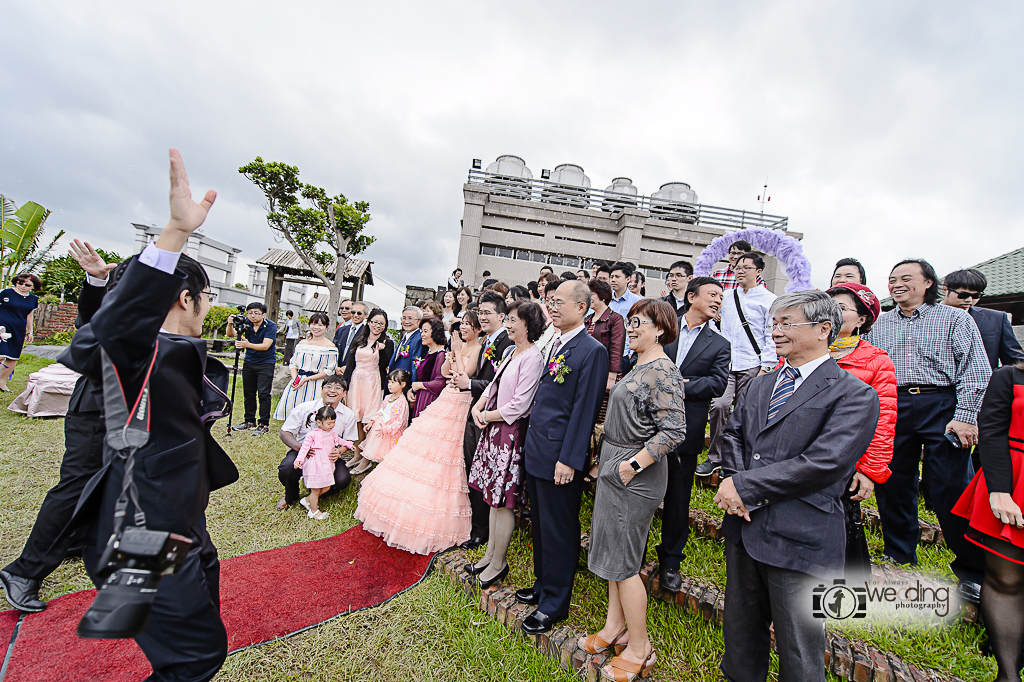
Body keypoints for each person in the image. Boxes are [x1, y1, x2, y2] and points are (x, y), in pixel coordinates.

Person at [59, 149, 239, 681]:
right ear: (186, 298)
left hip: (181, 521)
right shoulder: (142, 355)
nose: (209, 308)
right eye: (205, 298)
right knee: (194, 658)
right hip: (141, 533)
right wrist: (173, 237)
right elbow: (103, 342)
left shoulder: (168, 350)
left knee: (198, 626)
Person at [715, 291, 879, 682]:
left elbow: (826, 463)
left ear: (824, 329)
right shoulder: (760, 384)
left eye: (787, 323)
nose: (776, 331)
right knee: (740, 637)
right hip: (746, 529)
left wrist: (746, 488)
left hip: (802, 537)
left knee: (799, 650)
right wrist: (736, 485)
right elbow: (733, 435)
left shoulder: (854, 394)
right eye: (774, 323)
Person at [866, 258, 991, 598]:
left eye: (906, 278)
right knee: (893, 481)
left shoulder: (953, 318)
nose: (896, 283)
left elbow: (976, 369)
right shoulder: (879, 323)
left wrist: (966, 415)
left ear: (929, 284)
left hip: (942, 404)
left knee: (950, 486)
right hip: (894, 404)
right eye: (892, 278)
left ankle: (972, 570)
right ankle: (899, 553)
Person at [1, 242, 115, 612]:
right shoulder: (117, 309)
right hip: (95, 409)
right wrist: (97, 282)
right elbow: (90, 321)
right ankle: (24, 571)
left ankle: (75, 543)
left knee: (108, 480)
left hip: (125, 413)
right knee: (77, 483)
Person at [582, 298, 685, 681]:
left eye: (639, 322)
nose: (633, 328)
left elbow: (674, 431)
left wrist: (632, 465)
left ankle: (640, 648)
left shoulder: (663, 371)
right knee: (612, 556)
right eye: (631, 322)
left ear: (660, 328)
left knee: (625, 564)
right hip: (615, 466)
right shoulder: (637, 365)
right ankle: (615, 628)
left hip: (635, 475)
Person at [517, 280, 609, 636]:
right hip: (538, 448)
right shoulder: (555, 342)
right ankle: (542, 586)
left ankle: (555, 603)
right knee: (541, 526)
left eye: (559, 302)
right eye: (550, 301)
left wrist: (570, 460)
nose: (551, 307)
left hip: (560, 455)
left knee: (559, 529)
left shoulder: (592, 350)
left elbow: (585, 411)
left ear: (582, 308)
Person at [353, 362, 476, 555]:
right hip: (447, 398)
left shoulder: (476, 349)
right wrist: (452, 354)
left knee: (444, 460)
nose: (461, 330)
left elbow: (463, 373)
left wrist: (459, 352)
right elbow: (445, 373)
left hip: (460, 402)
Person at [656, 277, 730, 593]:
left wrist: (681, 386)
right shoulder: (663, 329)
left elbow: (717, 383)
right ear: (691, 297)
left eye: (721, 297)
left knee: (677, 500)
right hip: (648, 425)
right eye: (712, 295)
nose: (718, 301)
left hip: (685, 432)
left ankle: (670, 561)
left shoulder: (720, 344)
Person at [465, 301, 546, 587]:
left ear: (528, 324)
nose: (508, 324)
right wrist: (481, 404)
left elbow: (520, 405)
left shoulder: (533, 357)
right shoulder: (512, 351)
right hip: (494, 429)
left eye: (513, 320)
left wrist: (485, 414)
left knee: (504, 501)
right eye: (508, 319)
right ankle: (489, 554)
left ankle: (499, 562)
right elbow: (494, 384)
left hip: (510, 434)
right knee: (491, 497)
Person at [952, 363, 1024, 682]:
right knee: (1006, 581)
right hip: (1011, 481)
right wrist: (999, 490)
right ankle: (1007, 675)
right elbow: (992, 431)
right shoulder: (1009, 376)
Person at [825, 283, 896, 575]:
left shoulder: (877, 361)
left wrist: (869, 470)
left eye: (841, 308)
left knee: (838, 527)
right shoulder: (801, 348)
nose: (833, 313)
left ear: (862, 319)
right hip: (799, 454)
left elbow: (884, 420)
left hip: (845, 457)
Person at [700, 252, 777, 476]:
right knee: (720, 406)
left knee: (745, 413)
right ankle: (714, 457)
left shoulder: (768, 299)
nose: (740, 270)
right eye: (738, 267)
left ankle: (735, 461)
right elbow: (712, 323)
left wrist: (766, 367)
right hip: (727, 364)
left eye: (746, 267)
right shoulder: (728, 296)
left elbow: (769, 334)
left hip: (753, 364)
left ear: (758, 272)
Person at [451, 293, 511, 548]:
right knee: (470, 468)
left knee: (481, 472)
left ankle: (481, 529)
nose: (482, 317)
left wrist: (471, 383)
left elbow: (503, 385)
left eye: (487, 313)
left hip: (490, 418)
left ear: (501, 316)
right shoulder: (487, 341)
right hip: (474, 413)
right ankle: (474, 523)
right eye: (480, 312)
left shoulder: (507, 342)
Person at [276, 375, 356, 511]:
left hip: (328, 456)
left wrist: (339, 451)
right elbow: (284, 432)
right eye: (328, 387)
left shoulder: (348, 414)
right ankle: (291, 495)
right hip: (303, 451)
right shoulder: (305, 408)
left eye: (338, 388)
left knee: (343, 479)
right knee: (287, 469)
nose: (333, 390)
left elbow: (349, 440)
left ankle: (315, 495)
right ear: (321, 389)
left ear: (344, 393)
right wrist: (300, 448)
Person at [942, 268, 1024, 371]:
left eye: (976, 296)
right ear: (945, 290)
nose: (969, 300)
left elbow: (1014, 358)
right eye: (963, 295)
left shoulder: (996, 319)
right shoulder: (923, 315)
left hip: (984, 384)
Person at [273, 312, 338, 421]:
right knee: (294, 417)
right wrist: (295, 379)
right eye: (313, 324)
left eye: (320, 325)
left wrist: (308, 379)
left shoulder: (330, 346)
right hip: (298, 383)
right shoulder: (302, 343)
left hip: (316, 384)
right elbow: (293, 363)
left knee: (313, 417)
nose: (316, 327)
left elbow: (329, 370)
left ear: (326, 327)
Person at [227, 301, 278, 435]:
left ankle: (263, 423)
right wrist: (230, 323)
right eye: (250, 313)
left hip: (266, 363)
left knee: (263, 393)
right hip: (249, 362)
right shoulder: (246, 323)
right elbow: (231, 334)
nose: (252, 316)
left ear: (264, 314)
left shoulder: (270, 326)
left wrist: (247, 345)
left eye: (256, 313)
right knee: (248, 393)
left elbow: (265, 345)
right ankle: (249, 421)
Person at [294, 406, 352, 520]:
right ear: (319, 422)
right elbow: (304, 448)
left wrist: (348, 444)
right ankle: (313, 510)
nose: (332, 425)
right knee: (315, 489)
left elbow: (339, 440)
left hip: (327, 463)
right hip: (315, 464)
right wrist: (299, 460)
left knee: (326, 486)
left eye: (333, 422)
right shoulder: (312, 434)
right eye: (329, 423)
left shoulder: (332, 432)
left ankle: (307, 500)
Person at [342, 308, 395, 434]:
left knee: (371, 417)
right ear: (369, 322)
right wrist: (344, 383)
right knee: (355, 417)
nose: (377, 326)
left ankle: (368, 448)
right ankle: (357, 451)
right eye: (374, 322)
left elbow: (386, 365)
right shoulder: (359, 340)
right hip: (356, 381)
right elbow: (350, 364)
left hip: (373, 382)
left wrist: (382, 351)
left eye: (381, 324)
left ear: (385, 325)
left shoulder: (387, 343)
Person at [360, 369, 411, 468]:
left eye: (393, 382)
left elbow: (400, 421)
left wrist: (387, 429)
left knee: (387, 452)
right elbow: (381, 411)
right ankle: (368, 464)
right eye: (389, 382)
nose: (390, 385)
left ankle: (384, 469)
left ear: (403, 384)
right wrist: (372, 422)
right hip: (379, 427)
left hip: (390, 432)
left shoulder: (402, 402)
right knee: (375, 447)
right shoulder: (387, 397)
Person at [0, 273, 41, 393]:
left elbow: (29, 315)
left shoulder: (33, 299)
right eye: (20, 283)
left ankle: (2, 383)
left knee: (13, 357)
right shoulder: (6, 293)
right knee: (1, 354)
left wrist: (30, 331)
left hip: (18, 329)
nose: (23, 286)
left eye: (27, 285)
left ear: (33, 287)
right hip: (2, 326)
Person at [586, 279, 625, 392]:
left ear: (602, 296)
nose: (588, 298)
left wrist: (611, 377)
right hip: (588, 370)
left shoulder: (615, 319)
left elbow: (616, 348)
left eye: (592, 294)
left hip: (604, 372)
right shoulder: (587, 319)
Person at [409, 316, 449, 419]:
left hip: (430, 401)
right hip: (421, 398)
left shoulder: (441, 355)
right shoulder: (429, 353)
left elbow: (440, 383)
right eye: (421, 331)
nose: (422, 334)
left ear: (435, 332)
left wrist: (419, 385)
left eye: (425, 331)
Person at [390, 306, 426, 375]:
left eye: (410, 318)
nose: (406, 322)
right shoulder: (405, 337)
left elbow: (416, 367)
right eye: (404, 318)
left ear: (419, 321)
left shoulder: (419, 339)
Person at [333, 301, 367, 367]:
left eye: (359, 313)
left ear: (366, 315)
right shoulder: (341, 330)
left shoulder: (367, 333)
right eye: (353, 312)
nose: (355, 315)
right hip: (338, 370)